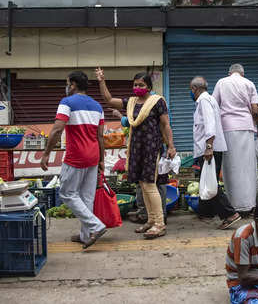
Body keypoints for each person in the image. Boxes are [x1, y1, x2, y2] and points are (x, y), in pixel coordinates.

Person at [96, 67, 177, 239]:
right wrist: (101, 81)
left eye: (141, 85)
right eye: (135, 85)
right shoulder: (132, 102)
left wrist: (171, 146)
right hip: (136, 148)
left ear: (148, 87)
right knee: (142, 184)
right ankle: (151, 220)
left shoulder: (157, 101)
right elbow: (109, 100)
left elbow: (165, 125)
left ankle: (159, 224)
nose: (137, 87)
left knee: (149, 184)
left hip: (151, 148)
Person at [40, 71, 107, 249]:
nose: (67, 86)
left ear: (74, 85)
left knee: (67, 193)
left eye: (68, 83)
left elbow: (56, 130)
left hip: (76, 156)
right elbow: (100, 136)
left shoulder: (67, 102)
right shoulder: (97, 106)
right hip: (93, 156)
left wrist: (46, 153)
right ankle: (86, 236)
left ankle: (96, 226)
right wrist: (102, 159)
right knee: (86, 197)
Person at [190, 76, 241, 229]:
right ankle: (206, 212)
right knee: (206, 180)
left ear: (195, 89)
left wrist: (209, 147)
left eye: (190, 90)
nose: (191, 93)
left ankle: (230, 214)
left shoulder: (204, 101)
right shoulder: (210, 99)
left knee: (210, 183)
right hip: (211, 147)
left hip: (209, 148)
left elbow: (210, 124)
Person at [213, 64, 258, 216]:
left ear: (229, 73)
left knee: (231, 166)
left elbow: (214, 105)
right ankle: (248, 204)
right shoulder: (249, 83)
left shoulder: (221, 82)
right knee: (247, 166)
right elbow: (255, 109)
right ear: (242, 73)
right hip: (246, 127)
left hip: (227, 127)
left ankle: (233, 204)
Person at [112, 107, 168, 225]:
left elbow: (131, 121)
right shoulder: (161, 107)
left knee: (144, 184)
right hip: (159, 148)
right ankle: (160, 216)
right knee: (159, 184)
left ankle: (146, 215)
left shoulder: (146, 106)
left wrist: (118, 115)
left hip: (146, 149)